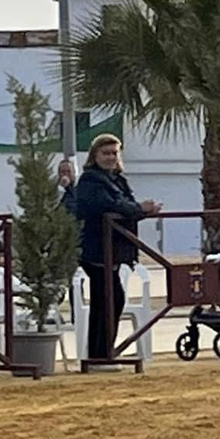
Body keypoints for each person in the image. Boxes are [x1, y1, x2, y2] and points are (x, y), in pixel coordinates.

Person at [75, 134, 162, 369]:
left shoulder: (118, 180)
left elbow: (127, 204)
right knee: (107, 300)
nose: (111, 158)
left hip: (114, 249)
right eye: (106, 153)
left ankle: (102, 354)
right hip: (96, 249)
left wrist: (141, 209)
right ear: (95, 155)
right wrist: (140, 209)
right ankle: (99, 356)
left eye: (115, 153)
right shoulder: (90, 180)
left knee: (112, 298)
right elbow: (112, 205)